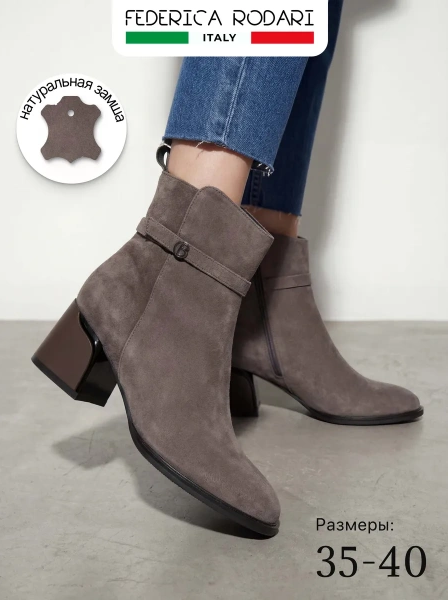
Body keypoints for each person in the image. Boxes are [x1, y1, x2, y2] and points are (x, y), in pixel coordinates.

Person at [32, 0, 422, 537]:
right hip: (178, 264)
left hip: (249, 286)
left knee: (315, 16)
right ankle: (172, 268)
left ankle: (260, 304)